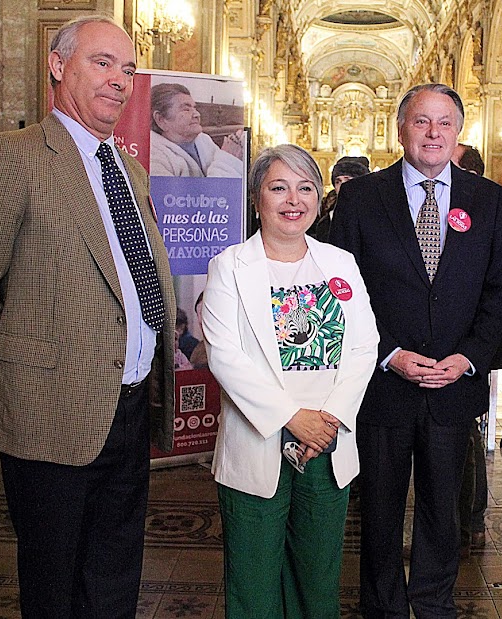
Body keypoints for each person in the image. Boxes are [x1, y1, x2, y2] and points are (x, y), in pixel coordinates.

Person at [0, 16, 176, 617]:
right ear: (57, 65)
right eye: (103, 63)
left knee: (115, 576)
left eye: (128, 69)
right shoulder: (16, 156)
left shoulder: (129, 170)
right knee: (54, 586)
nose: (120, 80)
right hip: (50, 413)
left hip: (130, 408)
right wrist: (17, 373)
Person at [330, 83, 502, 618]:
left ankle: (434, 604)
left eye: (444, 123)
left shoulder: (488, 199)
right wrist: (389, 354)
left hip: (454, 385)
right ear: (400, 129)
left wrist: (471, 357)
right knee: (380, 512)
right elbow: (342, 291)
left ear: (459, 132)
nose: (433, 133)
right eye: (421, 122)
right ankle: (383, 608)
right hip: (383, 384)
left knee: (444, 512)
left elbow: (500, 289)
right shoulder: (362, 198)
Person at [203, 144, 379, 617]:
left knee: (317, 581)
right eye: (278, 188)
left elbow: (364, 345)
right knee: (253, 581)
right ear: (256, 197)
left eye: (305, 188)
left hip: (327, 445)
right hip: (256, 444)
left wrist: (328, 420)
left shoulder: (340, 263)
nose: (293, 200)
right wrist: (292, 418)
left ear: (319, 198)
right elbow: (224, 356)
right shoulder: (229, 267)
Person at [450, 142, 490, 555]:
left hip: (467, 352)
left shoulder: (485, 206)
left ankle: (470, 521)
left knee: (467, 440)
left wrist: (474, 352)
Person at [150, 82, 244, 177]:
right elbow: (215, 184)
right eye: (186, 109)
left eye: (194, 108)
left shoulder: (204, 140)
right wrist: (228, 159)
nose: (197, 114)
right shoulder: (154, 157)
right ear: (161, 119)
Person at [310, 156, 370, 242]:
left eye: (348, 180)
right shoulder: (326, 219)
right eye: (338, 182)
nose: (342, 186)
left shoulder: (374, 214)